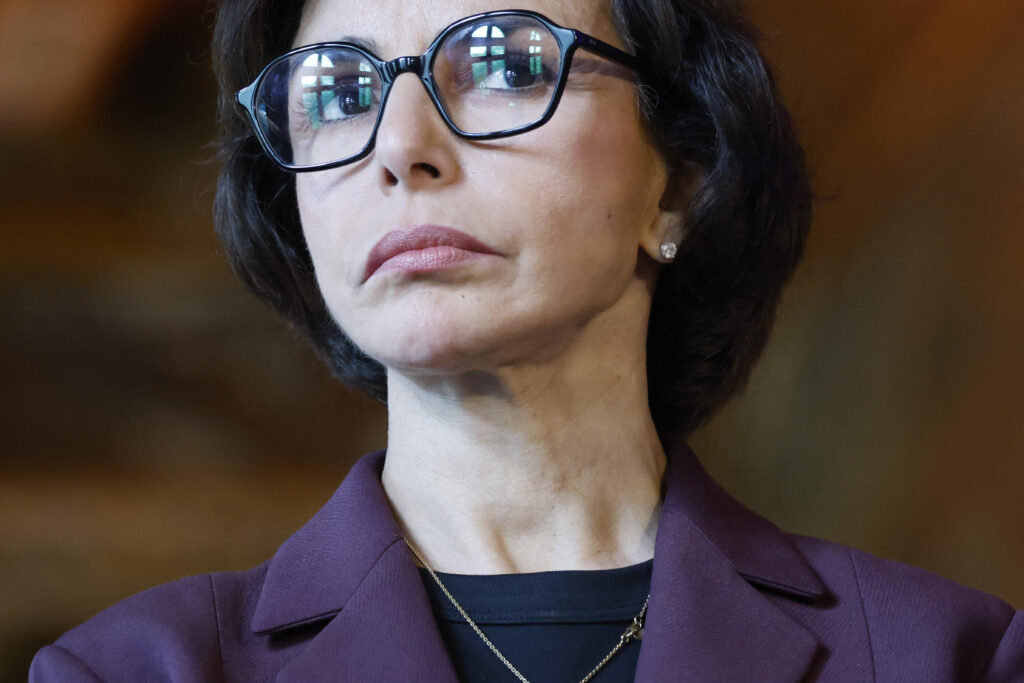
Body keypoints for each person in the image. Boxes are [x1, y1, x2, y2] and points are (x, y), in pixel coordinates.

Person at [29, 0, 1024, 680]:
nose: (400, 147)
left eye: (502, 63)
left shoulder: (948, 657)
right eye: (336, 91)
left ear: (681, 179)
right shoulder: (136, 668)